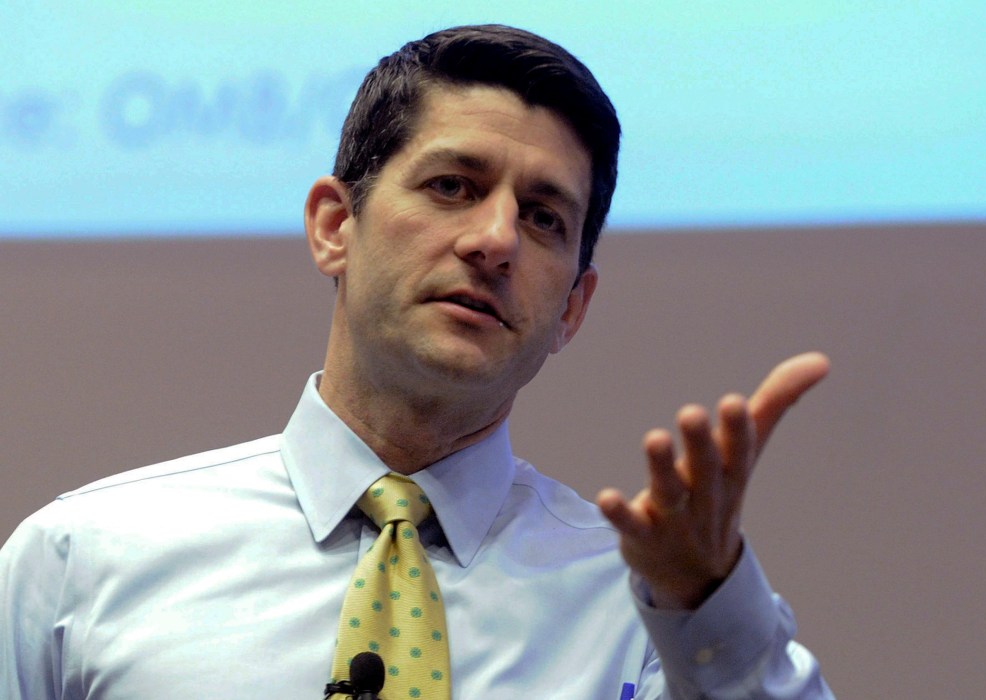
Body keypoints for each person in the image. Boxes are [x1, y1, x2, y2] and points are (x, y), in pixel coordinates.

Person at [0, 24, 833, 699]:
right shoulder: (81, 563)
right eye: (452, 186)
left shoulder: (644, 609)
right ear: (335, 225)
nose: (496, 240)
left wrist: (708, 602)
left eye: (544, 218)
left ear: (573, 307)